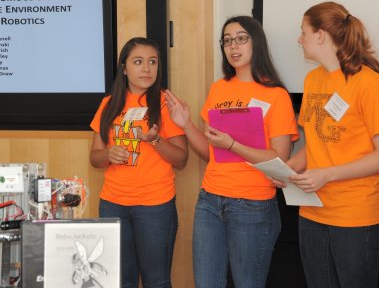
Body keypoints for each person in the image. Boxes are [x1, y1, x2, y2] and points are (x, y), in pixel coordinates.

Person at [166, 16, 299, 288]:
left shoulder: (276, 95)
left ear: (255, 42)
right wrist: (186, 124)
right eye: (227, 40)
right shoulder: (219, 88)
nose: (233, 46)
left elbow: (280, 157)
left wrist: (233, 145)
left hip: (252, 205)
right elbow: (208, 151)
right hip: (210, 201)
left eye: (241, 38)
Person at [275, 2, 379, 288]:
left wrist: (326, 175)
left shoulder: (369, 83)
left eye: (303, 32)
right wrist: (288, 169)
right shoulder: (312, 79)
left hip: (355, 216)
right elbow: (316, 143)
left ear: (320, 35)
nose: (299, 39)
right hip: (312, 211)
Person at [90, 37, 188, 288]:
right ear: (124, 68)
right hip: (113, 205)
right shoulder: (108, 105)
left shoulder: (166, 104)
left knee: (156, 281)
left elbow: (181, 158)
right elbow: (95, 158)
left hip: (155, 207)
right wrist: (108, 153)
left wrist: (155, 140)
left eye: (152, 62)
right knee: (121, 281)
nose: (146, 68)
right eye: (138, 62)